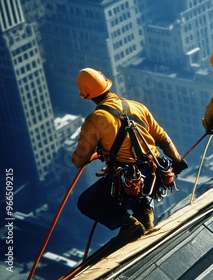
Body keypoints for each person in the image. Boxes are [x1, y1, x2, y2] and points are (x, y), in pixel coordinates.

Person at [72, 68, 188, 244]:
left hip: (128, 182)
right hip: (153, 175)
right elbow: (162, 138)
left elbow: (79, 160)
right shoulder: (137, 106)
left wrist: (96, 154)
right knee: (139, 193)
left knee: (87, 202)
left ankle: (128, 225)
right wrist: (178, 161)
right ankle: (145, 216)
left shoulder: (95, 120)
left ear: (87, 95)